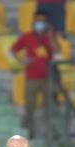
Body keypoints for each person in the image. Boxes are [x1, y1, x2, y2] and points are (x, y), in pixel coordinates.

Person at [11, 10, 59, 138]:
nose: (40, 23)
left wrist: (51, 37)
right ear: (33, 21)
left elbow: (56, 51)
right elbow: (13, 49)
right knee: (29, 105)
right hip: (31, 77)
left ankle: (50, 131)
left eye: (43, 20)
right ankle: (28, 132)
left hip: (47, 76)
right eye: (38, 20)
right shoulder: (27, 37)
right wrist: (22, 60)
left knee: (49, 106)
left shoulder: (49, 37)